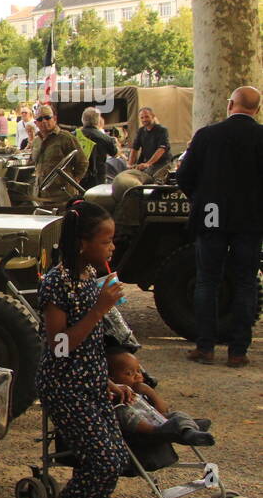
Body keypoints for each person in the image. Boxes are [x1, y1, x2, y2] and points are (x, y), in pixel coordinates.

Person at [34, 200, 130, 498]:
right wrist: (99, 309)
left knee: (117, 457)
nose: (112, 247)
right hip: (64, 385)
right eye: (106, 242)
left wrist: (106, 380)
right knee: (102, 458)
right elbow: (59, 346)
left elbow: (90, 346)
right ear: (82, 244)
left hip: (89, 381)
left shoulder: (91, 277)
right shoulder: (58, 282)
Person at [176, 84, 263, 367]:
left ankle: (205, 346)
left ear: (230, 105)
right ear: (257, 109)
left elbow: (184, 176)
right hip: (250, 220)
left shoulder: (208, 135)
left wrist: (201, 201)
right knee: (245, 283)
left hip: (211, 215)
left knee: (207, 281)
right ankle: (238, 350)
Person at [106, 351, 213, 447]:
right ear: (111, 379)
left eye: (138, 371)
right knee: (122, 410)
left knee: (177, 415)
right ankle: (187, 428)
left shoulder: (141, 392)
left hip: (158, 421)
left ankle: (188, 430)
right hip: (142, 433)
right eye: (129, 373)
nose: (137, 376)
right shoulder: (112, 397)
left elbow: (163, 410)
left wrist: (149, 391)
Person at [31, 105, 83, 210]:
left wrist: (73, 182)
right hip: (41, 196)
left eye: (47, 117)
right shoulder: (36, 141)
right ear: (36, 123)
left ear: (54, 119)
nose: (44, 121)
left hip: (62, 196)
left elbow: (82, 162)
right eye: (40, 119)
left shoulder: (66, 137)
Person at [78, 106, 118, 189]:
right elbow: (114, 153)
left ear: (83, 119)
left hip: (77, 177)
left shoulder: (73, 135)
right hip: (97, 179)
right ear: (98, 121)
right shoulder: (105, 138)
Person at [128, 106, 171, 175]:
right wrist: (130, 164)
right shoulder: (140, 131)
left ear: (153, 116)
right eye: (142, 118)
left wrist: (148, 163)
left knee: (147, 175)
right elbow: (134, 149)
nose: (144, 119)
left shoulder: (162, 130)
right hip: (146, 163)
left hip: (161, 163)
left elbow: (161, 149)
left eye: (146, 117)